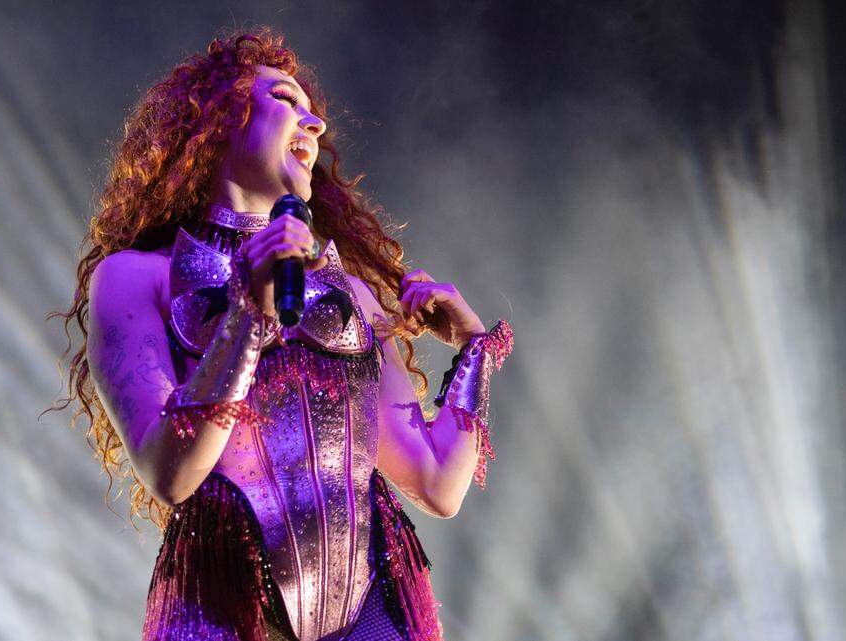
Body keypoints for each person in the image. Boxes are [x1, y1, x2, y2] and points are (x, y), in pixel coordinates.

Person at [49, 26, 512, 641]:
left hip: (369, 604)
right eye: (287, 100)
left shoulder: (349, 294)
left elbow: (438, 484)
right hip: (224, 602)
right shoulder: (135, 279)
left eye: (312, 111)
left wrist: (476, 350)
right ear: (218, 121)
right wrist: (249, 313)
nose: (315, 124)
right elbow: (170, 472)